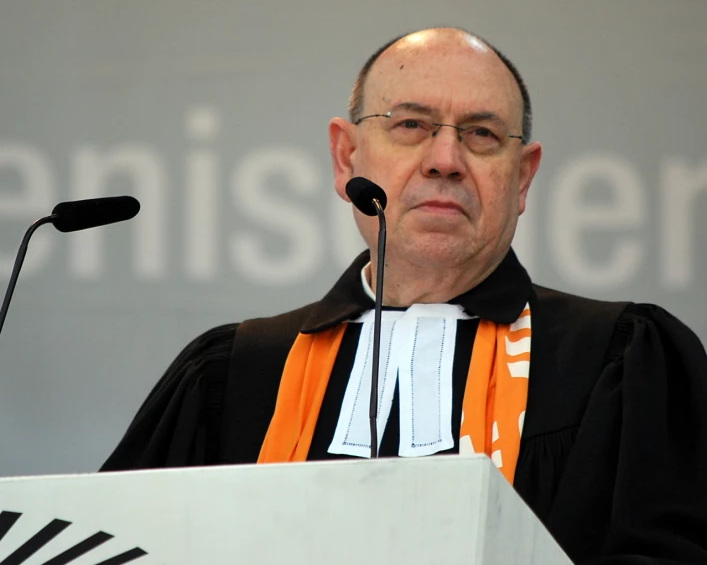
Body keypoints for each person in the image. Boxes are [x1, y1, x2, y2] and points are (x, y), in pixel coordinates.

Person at [101, 28, 707, 564]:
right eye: (411, 125)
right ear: (346, 157)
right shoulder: (232, 374)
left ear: (522, 177)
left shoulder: (622, 363)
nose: (445, 160)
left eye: (482, 134)